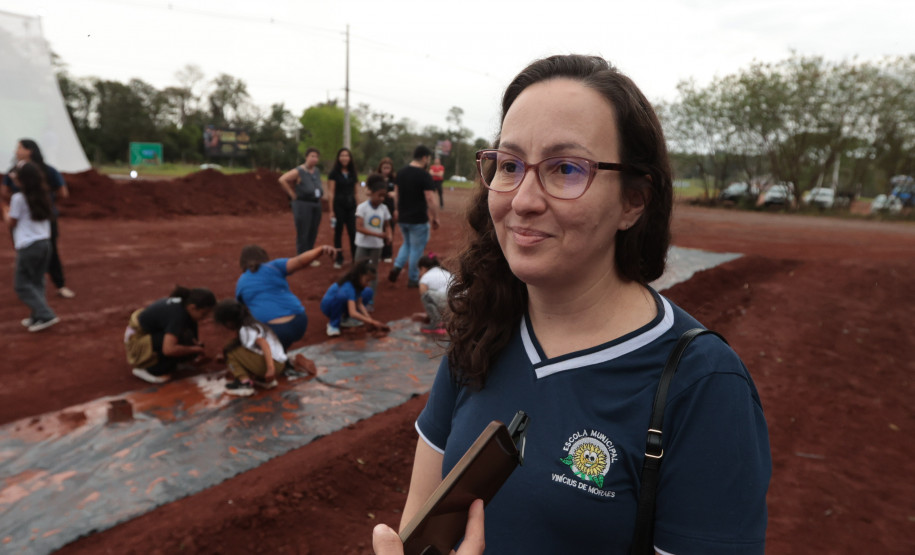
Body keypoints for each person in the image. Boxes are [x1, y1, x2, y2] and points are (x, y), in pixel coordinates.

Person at [376, 55, 771, 555]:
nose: (523, 199)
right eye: (510, 165)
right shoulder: (483, 327)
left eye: (565, 168)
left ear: (634, 201)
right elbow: (421, 523)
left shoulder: (704, 386)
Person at [1, 139, 76, 299]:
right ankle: (34, 289)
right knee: (41, 253)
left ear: (29, 150)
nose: (16, 151)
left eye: (19, 148)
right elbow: (5, 191)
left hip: (35, 220)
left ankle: (53, 285)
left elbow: (63, 193)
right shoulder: (18, 171)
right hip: (39, 219)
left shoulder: (46, 170)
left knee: (43, 253)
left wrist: (31, 205)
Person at [235, 243, 336, 350]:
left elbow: (240, 313)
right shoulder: (274, 266)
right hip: (299, 322)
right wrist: (321, 249)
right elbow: (300, 261)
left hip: (273, 331)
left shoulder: (241, 282)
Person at [2, 162, 59, 332]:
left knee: (21, 285)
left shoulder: (18, 198)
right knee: (36, 281)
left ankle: (45, 314)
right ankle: (37, 316)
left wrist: (4, 209)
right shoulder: (44, 195)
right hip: (44, 244)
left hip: (29, 246)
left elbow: (12, 222)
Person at [125, 286, 215, 384]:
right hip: (137, 343)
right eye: (204, 314)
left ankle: (176, 361)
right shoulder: (177, 316)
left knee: (187, 340)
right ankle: (147, 369)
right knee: (174, 349)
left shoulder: (185, 307)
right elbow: (169, 350)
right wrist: (194, 349)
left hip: (151, 334)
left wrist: (195, 348)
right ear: (192, 307)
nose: (205, 318)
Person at [388, 145, 439, 288]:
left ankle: (397, 266)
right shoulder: (424, 175)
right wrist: (435, 217)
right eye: (428, 158)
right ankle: (413, 279)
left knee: (407, 244)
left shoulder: (402, 172)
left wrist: (397, 210)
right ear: (424, 158)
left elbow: (396, 194)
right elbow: (430, 198)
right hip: (418, 218)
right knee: (417, 249)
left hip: (403, 217)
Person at [213, 299, 286, 397]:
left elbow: (264, 344)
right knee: (235, 345)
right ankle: (262, 379)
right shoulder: (252, 323)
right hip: (280, 364)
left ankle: (244, 383)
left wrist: (270, 369)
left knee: (230, 350)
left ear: (229, 321)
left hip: (274, 366)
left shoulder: (246, 329)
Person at [320, 259, 389, 337]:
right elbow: (353, 312)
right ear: (359, 275)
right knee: (341, 297)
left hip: (341, 302)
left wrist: (370, 320)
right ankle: (333, 324)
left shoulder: (357, 284)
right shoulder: (348, 287)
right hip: (329, 306)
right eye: (367, 280)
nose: (368, 283)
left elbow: (359, 304)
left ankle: (346, 318)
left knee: (367, 292)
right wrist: (372, 322)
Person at [278, 147, 324, 261]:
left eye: (316, 157)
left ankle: (310, 255)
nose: (314, 159)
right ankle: (302, 257)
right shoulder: (299, 171)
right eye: (312, 156)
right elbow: (282, 179)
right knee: (304, 230)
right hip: (303, 204)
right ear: (306, 157)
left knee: (313, 230)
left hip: (316, 203)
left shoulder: (316, 171)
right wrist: (292, 194)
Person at [354, 174, 393, 303]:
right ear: (371, 194)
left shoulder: (384, 208)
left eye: (384, 196)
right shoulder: (362, 207)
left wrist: (389, 235)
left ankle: (369, 298)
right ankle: (356, 296)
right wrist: (379, 234)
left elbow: (387, 225)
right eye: (379, 195)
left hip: (376, 246)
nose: (382, 198)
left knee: (373, 272)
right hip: (362, 244)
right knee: (358, 270)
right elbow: (359, 227)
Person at [326, 147, 360, 269]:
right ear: (338, 158)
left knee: (353, 232)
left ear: (350, 158)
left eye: (347, 155)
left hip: (351, 206)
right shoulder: (334, 173)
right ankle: (338, 258)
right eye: (342, 155)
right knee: (338, 232)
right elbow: (331, 192)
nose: (344, 158)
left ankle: (356, 258)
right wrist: (331, 210)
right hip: (338, 205)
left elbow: (356, 192)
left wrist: (358, 208)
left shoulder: (353, 173)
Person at [416, 253, 452, 335]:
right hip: (461, 305)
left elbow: (424, 294)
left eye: (420, 270)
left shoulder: (425, 277)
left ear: (423, 268)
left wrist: (430, 315)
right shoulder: (446, 272)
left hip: (450, 303)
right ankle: (448, 320)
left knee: (426, 296)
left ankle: (437, 324)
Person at [376, 157, 398, 263]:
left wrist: (394, 194)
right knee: (378, 229)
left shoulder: (394, 179)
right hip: (378, 208)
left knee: (390, 230)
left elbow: (399, 192)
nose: (386, 170)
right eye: (384, 168)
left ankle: (388, 253)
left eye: (388, 168)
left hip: (390, 208)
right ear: (380, 168)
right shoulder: (376, 179)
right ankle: (378, 253)